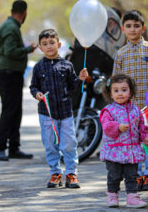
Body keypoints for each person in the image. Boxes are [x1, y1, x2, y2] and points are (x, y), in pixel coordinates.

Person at [113, 10, 148, 191]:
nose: (133, 29)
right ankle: (135, 176)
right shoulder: (121, 53)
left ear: (143, 28)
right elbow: (116, 81)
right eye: (128, 26)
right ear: (122, 29)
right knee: (133, 141)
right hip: (130, 108)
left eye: (136, 26)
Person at [30, 29, 88, 188]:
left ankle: (71, 173)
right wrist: (37, 94)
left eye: (52, 43)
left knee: (69, 143)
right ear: (40, 48)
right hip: (46, 113)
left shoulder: (67, 65)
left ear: (59, 44)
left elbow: (73, 86)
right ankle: (55, 173)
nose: (49, 46)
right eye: (45, 44)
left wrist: (81, 78)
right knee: (50, 144)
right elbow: (33, 86)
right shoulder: (38, 67)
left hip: (65, 113)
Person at [100, 73, 148, 208]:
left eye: (124, 90)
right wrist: (118, 127)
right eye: (116, 90)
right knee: (114, 175)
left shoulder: (136, 110)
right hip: (114, 150)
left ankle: (132, 197)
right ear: (110, 94)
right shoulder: (108, 110)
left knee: (132, 175)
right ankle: (112, 195)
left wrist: (145, 137)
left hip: (131, 150)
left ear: (131, 92)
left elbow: (141, 126)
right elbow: (106, 126)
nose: (120, 93)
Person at [0, 0, 37, 161]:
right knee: (9, 111)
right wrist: (28, 49)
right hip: (8, 75)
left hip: (12, 74)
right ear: (24, 13)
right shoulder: (11, 27)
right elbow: (10, 50)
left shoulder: (10, 26)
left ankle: (14, 147)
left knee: (15, 112)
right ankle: (1, 148)